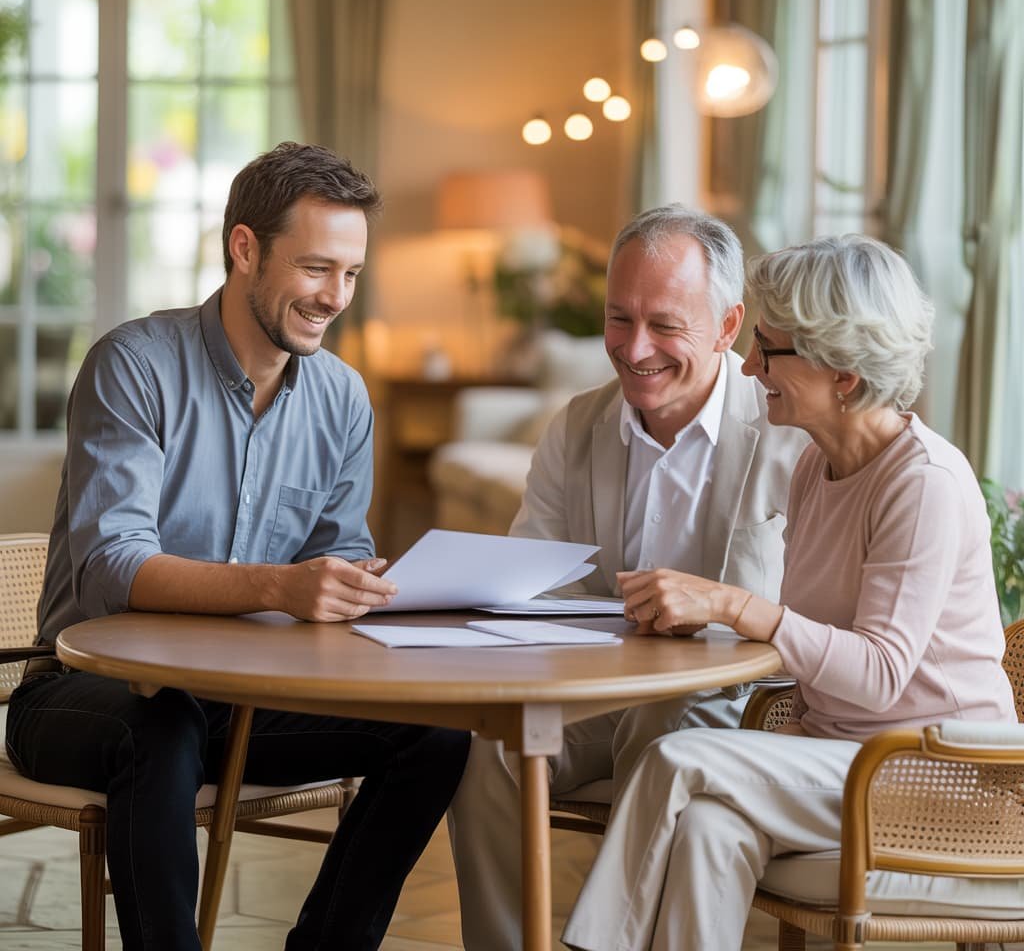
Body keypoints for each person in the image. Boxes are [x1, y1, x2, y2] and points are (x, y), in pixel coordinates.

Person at [4, 142, 470, 951]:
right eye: (317, 268)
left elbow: (337, 555)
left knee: (435, 734)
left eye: (352, 275)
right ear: (245, 249)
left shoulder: (343, 398)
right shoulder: (133, 366)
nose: (336, 297)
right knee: (163, 722)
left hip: (244, 700)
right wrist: (281, 588)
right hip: (81, 691)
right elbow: (115, 567)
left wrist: (356, 585)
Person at [561, 234, 1018, 951]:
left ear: (840, 370)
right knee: (711, 829)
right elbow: (814, 650)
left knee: (677, 758)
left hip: (935, 772)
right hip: (841, 758)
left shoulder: (923, 481)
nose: (748, 366)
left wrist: (736, 605)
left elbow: (877, 674)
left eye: (768, 350)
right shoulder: (815, 467)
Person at [448, 204, 807, 950]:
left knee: (661, 723)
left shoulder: (787, 435)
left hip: (739, 699)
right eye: (620, 318)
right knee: (486, 749)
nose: (635, 348)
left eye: (665, 325)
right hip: (599, 690)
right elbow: (530, 586)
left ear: (728, 325)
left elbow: (813, 612)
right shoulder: (576, 426)